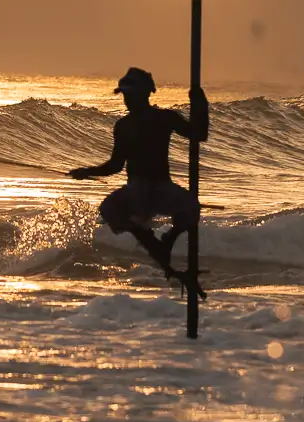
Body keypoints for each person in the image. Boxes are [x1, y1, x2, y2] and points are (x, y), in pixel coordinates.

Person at [68, 67, 207, 283]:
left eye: (130, 96)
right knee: (109, 210)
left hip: (158, 188)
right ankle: (152, 241)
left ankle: (164, 241)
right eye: (125, 96)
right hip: (142, 190)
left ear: (144, 94)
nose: (127, 101)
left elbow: (199, 134)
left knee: (191, 209)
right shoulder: (131, 124)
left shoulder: (154, 120)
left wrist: (200, 104)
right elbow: (115, 166)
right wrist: (86, 172)